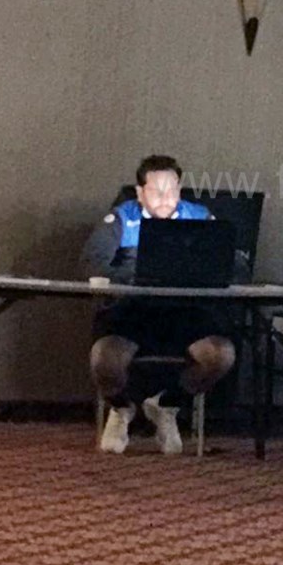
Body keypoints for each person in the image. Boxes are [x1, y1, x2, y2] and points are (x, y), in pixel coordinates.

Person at [81, 155, 240, 455]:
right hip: (132, 314)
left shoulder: (200, 217)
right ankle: (121, 408)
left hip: (188, 315)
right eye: (156, 190)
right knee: (103, 358)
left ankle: (167, 405)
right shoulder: (121, 218)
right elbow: (92, 262)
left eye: (172, 190)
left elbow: (233, 264)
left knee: (221, 355)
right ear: (140, 192)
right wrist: (137, 273)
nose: (166, 198)